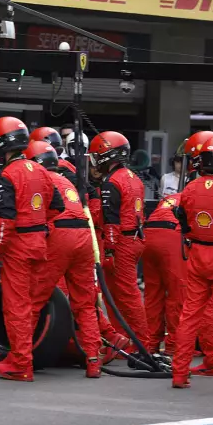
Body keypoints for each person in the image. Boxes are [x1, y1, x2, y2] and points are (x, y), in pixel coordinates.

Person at [0, 117, 62, 381]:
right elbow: (57, 208)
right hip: (40, 245)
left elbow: (5, 219)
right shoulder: (41, 170)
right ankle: (19, 356)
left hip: (18, 246)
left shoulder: (5, 174)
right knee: (30, 304)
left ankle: (21, 365)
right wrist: (43, 228)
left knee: (15, 306)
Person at [24, 141, 101, 378]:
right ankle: (94, 360)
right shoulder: (67, 180)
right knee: (85, 304)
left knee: (35, 299)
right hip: (84, 236)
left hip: (60, 236)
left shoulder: (39, 180)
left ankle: (21, 357)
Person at [171, 133, 213, 392]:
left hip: (197, 254)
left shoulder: (190, 188)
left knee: (189, 315)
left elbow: (181, 218)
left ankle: (179, 374)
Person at [89, 131, 152, 355]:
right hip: (134, 238)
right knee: (116, 293)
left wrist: (109, 251)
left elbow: (112, 220)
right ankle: (124, 340)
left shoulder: (111, 182)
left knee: (126, 294)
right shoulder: (134, 177)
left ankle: (142, 342)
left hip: (122, 242)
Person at [142, 193, 185, 355]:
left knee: (153, 293)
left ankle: (151, 342)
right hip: (171, 235)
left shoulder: (174, 196)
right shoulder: (208, 195)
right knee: (177, 292)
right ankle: (173, 345)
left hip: (150, 233)